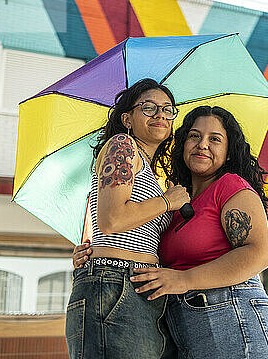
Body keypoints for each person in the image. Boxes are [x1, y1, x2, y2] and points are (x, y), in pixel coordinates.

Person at [74, 106, 268, 359]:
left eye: (215, 139)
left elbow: (258, 254)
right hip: (185, 329)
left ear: (229, 153)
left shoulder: (230, 185)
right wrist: (92, 252)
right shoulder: (175, 204)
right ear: (183, 144)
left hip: (233, 319)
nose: (202, 145)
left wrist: (184, 279)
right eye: (194, 136)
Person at [65, 78, 190, 359]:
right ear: (127, 118)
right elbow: (111, 219)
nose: (160, 115)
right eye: (148, 108)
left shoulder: (152, 173)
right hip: (115, 283)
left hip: (141, 287)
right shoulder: (123, 145)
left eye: (168, 110)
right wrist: (168, 202)